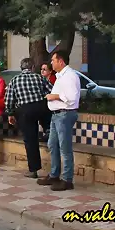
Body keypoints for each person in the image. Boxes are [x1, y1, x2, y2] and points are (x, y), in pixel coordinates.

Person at [38, 50, 81, 191]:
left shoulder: (70, 76)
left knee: (65, 147)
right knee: (52, 144)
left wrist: (54, 96)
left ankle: (67, 179)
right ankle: (54, 174)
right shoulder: (60, 77)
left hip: (65, 114)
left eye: (53, 60)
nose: (51, 63)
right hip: (56, 114)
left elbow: (72, 97)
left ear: (60, 61)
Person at [5, 58, 52, 179]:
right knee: (49, 128)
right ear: (32, 67)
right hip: (41, 108)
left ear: (21, 68)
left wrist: (10, 113)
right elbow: (51, 91)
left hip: (25, 111)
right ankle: (48, 131)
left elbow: (9, 98)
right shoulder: (39, 77)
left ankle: (34, 170)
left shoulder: (15, 80)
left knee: (30, 140)